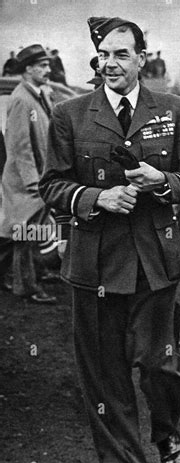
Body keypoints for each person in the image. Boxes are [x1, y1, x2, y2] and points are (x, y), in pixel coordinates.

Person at [39, 16, 180, 463]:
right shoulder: (71, 115)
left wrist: (163, 181)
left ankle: (165, 428)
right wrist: (94, 196)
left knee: (163, 364)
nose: (110, 64)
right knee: (105, 379)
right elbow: (51, 187)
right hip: (93, 269)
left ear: (141, 59)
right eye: (103, 56)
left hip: (158, 264)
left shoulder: (173, 111)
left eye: (120, 55)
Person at [0, 44, 56, 304]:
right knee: (25, 233)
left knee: (28, 231)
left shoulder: (37, 94)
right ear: (28, 69)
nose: (48, 69)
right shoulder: (22, 99)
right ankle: (26, 287)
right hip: (26, 181)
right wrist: (34, 182)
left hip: (37, 178)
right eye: (42, 66)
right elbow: (19, 147)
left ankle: (35, 272)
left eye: (48, 65)